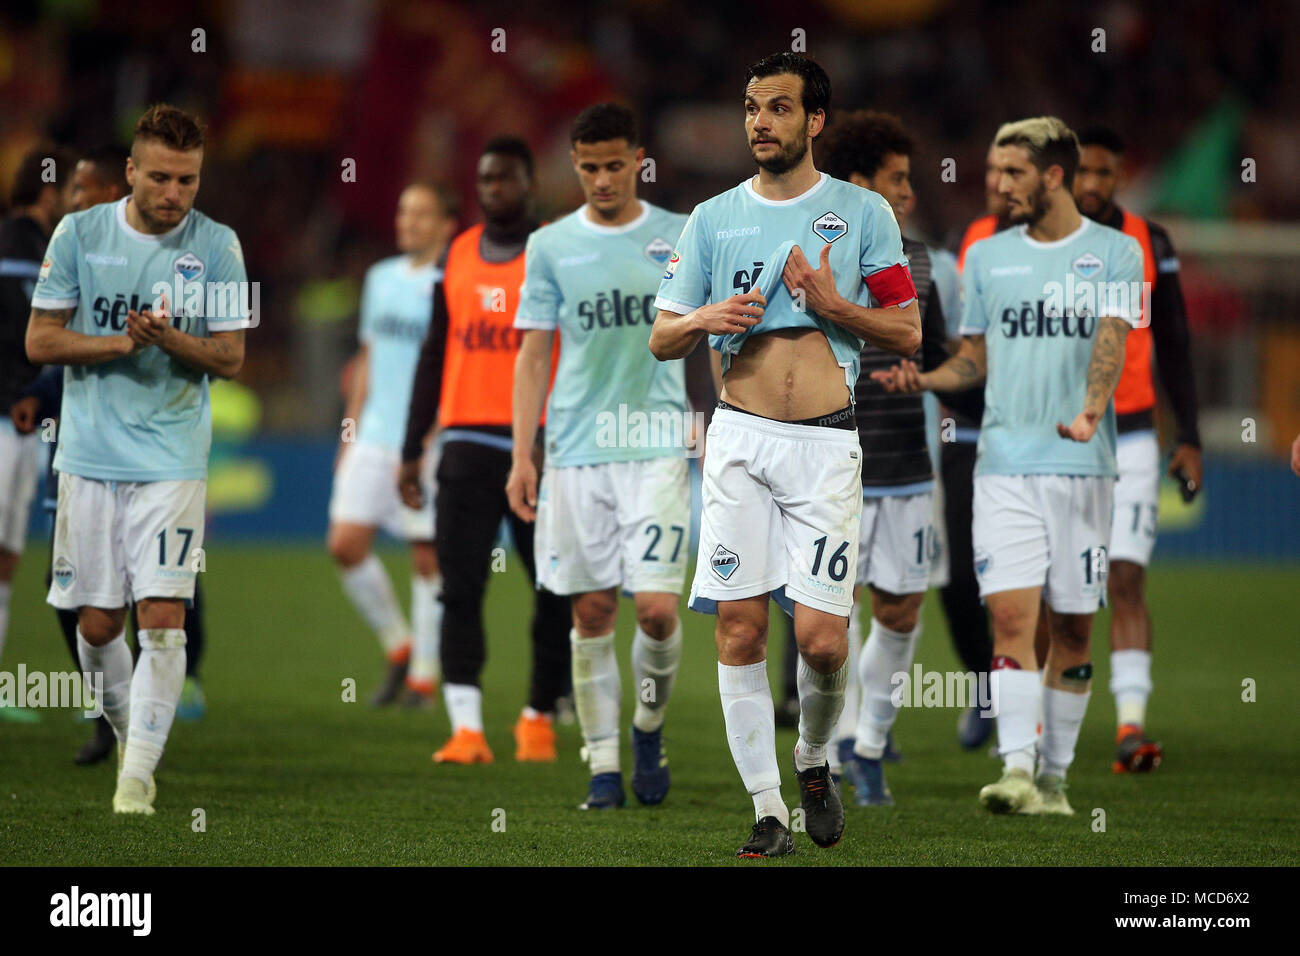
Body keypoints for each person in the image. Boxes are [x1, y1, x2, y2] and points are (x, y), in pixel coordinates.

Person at [650, 53, 920, 857]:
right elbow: (662, 337)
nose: (759, 122)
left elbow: (906, 329)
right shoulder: (710, 217)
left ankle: (812, 758)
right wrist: (706, 317)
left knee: (823, 643)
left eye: (776, 108)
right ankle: (769, 810)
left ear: (815, 121)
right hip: (738, 440)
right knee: (738, 632)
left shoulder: (864, 212)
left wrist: (833, 305)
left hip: (827, 444)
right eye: (750, 108)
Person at [876, 116, 1143, 815]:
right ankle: (1018, 769)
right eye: (994, 172)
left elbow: (1110, 339)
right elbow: (975, 358)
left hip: (1083, 465)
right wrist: (926, 380)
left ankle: (1055, 779)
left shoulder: (1114, 253)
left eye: (1013, 173)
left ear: (1053, 175)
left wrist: (1091, 410)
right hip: (1002, 465)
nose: (997, 185)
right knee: (1011, 619)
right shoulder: (988, 258)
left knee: (1075, 627)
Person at [26, 104, 249, 814]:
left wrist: (170, 338)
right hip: (89, 456)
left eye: (187, 180)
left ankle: (137, 778)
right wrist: (120, 344)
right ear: (130, 171)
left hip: (172, 458)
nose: (174, 194)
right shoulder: (80, 234)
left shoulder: (219, 246)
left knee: (162, 617)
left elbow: (232, 356)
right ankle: (133, 740)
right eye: (160, 177)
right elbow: (41, 341)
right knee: (98, 626)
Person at [507, 103, 711, 809]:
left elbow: (705, 335)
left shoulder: (678, 235)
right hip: (574, 450)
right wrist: (522, 453)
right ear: (575, 165)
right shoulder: (551, 245)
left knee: (655, 609)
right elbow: (533, 353)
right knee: (590, 611)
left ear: (638, 161)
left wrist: (712, 425)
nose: (601, 179)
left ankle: (648, 727)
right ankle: (601, 765)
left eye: (614, 165)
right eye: (589, 167)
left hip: (654, 444)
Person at [817, 109, 981, 806]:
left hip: (911, 472)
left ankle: (870, 742)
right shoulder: (813, 261)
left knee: (902, 610)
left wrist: (953, 378)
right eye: (896, 180)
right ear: (860, 184)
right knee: (829, 620)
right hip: (831, 469)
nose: (910, 194)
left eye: (910, 180)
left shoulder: (920, 265)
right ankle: (829, 746)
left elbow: (948, 360)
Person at [399, 137, 571, 765]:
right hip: (466, 442)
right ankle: (466, 728)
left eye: (505, 178)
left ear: (529, 183)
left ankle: (537, 718)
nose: (493, 188)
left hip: (542, 444)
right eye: (484, 179)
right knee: (459, 587)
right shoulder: (458, 252)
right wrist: (412, 445)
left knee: (553, 587)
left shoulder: (558, 246)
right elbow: (435, 350)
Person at [1073, 125, 1202, 773]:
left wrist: (1193, 438)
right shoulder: (1039, 242)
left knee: (1125, 577)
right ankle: (1035, 725)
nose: (1093, 184)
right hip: (1058, 439)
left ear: (1120, 175)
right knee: (1057, 589)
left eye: (1105, 173)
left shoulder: (1150, 242)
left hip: (1132, 434)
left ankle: (1129, 727)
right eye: (1083, 172)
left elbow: (1175, 343)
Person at [328, 182, 457, 708]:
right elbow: (368, 359)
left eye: (421, 213)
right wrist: (348, 430)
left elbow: (454, 367)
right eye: (404, 211)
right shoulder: (380, 278)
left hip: (426, 440)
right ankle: (399, 645)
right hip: (374, 434)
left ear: (446, 224)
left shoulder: (451, 283)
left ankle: (425, 677)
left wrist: (433, 434)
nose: (408, 222)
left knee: (426, 556)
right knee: (345, 545)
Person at [0, 144, 74, 722]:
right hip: (6, 420)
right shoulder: (21, 248)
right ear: (49, 191)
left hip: (26, 424)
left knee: (8, 556)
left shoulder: (44, 251)